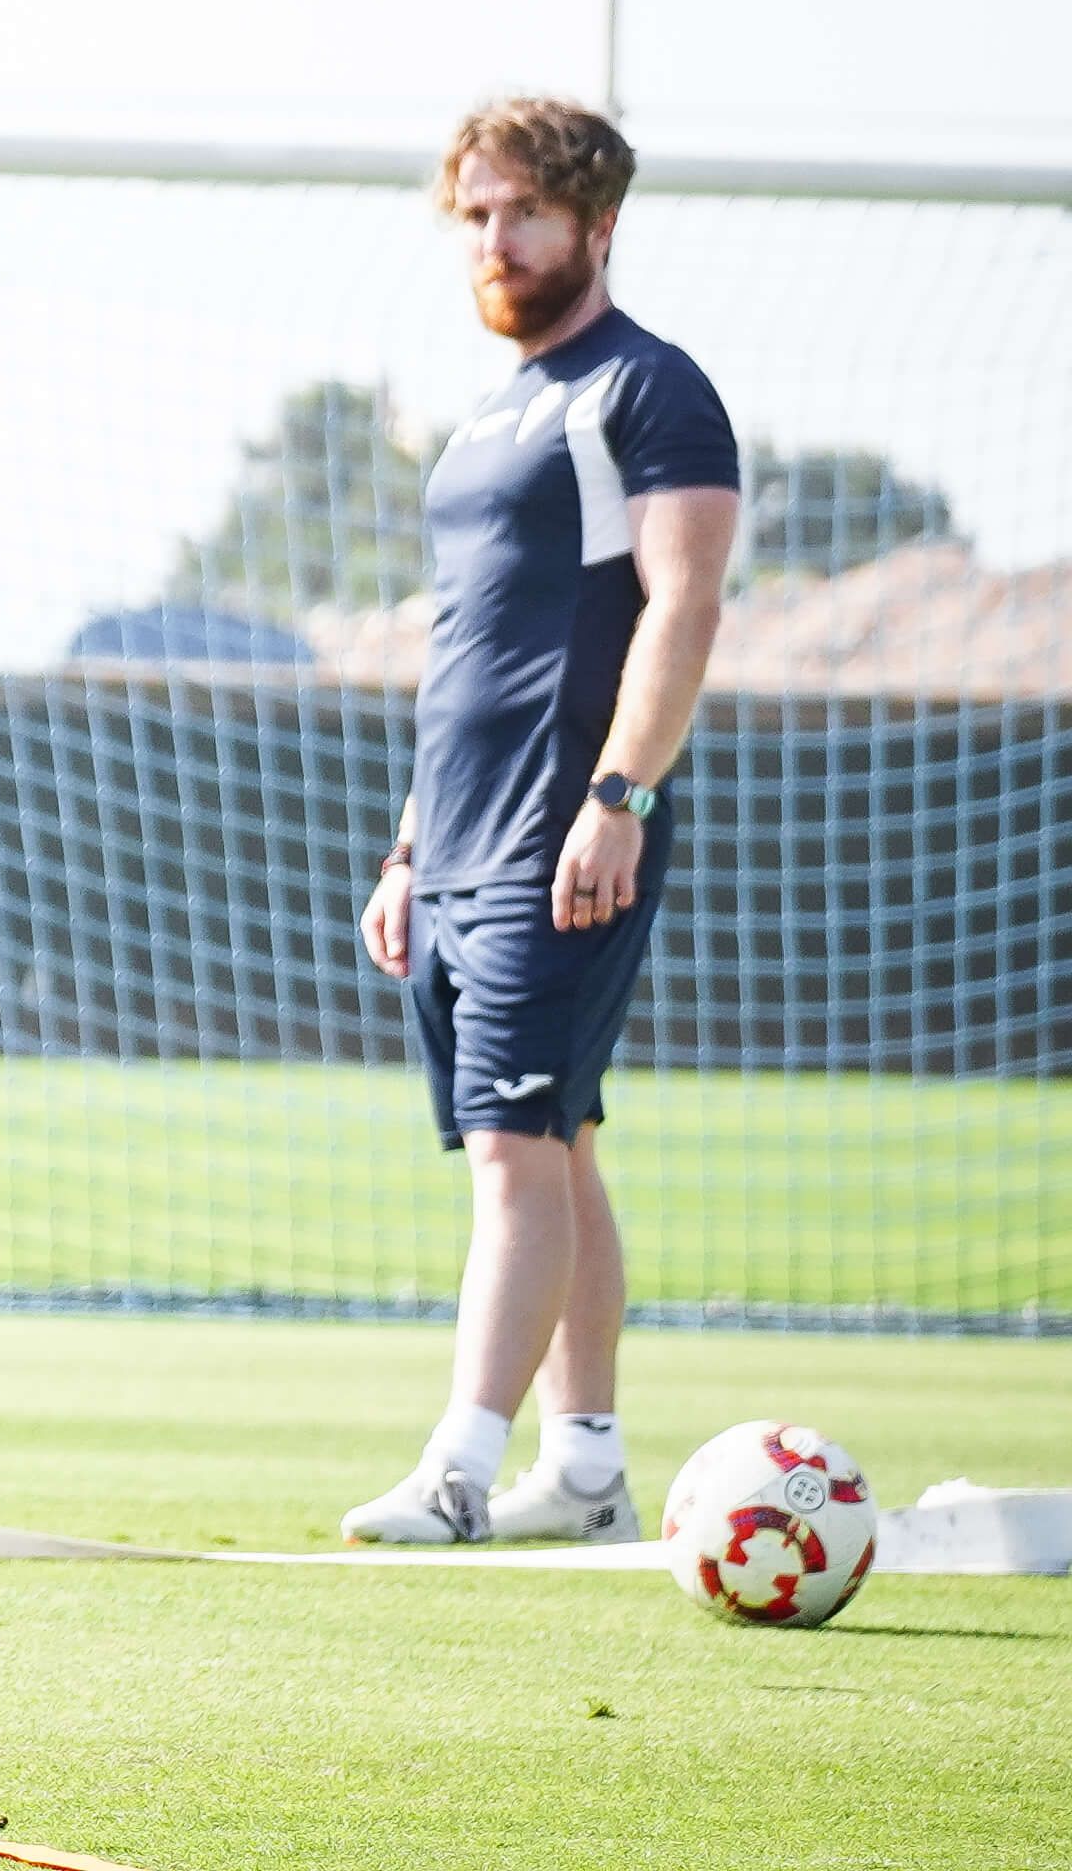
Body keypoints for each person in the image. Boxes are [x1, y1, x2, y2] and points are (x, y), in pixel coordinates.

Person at [344, 98, 738, 1547]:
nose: (496, 241)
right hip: (457, 845)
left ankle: (459, 1470)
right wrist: (408, 849)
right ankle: (584, 1470)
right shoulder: (486, 421)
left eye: (525, 212)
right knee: (555, 1145)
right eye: (477, 215)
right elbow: (468, 652)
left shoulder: (649, 388)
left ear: (596, 222)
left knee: (517, 1150)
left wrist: (620, 795)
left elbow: (685, 604)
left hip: (560, 833)